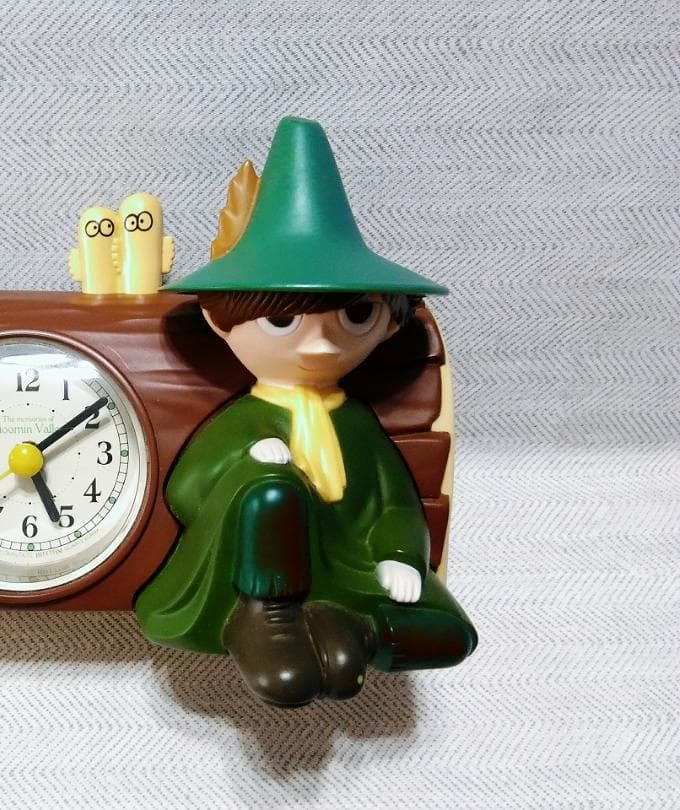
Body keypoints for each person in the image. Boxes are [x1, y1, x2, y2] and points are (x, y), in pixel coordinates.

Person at [134, 117, 476, 707]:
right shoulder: (243, 420)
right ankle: (265, 619)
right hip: (254, 573)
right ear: (220, 319)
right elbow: (188, 494)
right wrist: (247, 466)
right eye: (283, 320)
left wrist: (397, 556)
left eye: (355, 317)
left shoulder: (356, 424)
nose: (319, 345)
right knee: (272, 492)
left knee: (451, 633)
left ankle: (355, 633)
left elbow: (394, 504)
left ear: (390, 321)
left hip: (348, 565)